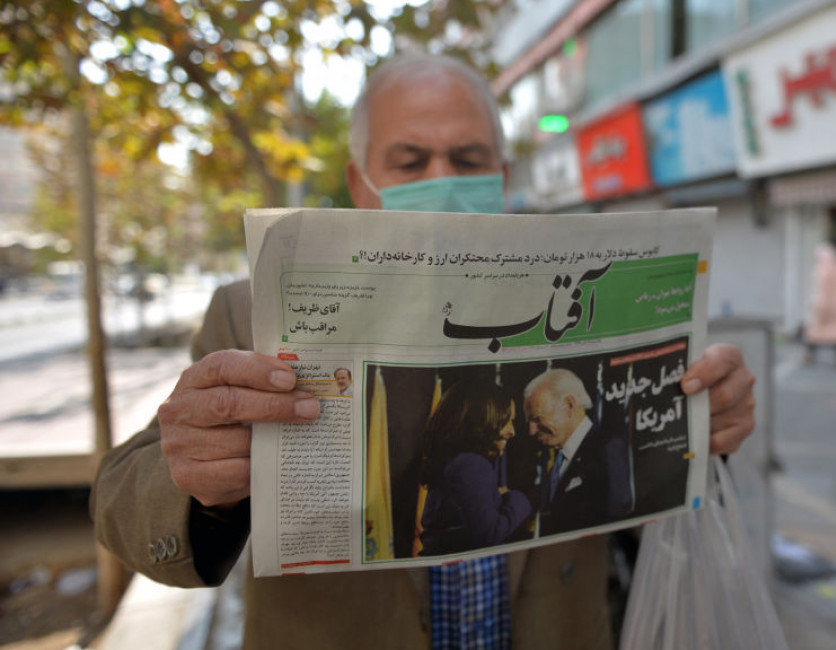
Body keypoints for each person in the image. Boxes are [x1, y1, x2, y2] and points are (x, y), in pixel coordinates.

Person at [91, 53, 757, 650]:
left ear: (498, 175)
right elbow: (120, 505)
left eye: (466, 161)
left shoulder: (573, 295)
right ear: (360, 184)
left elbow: (637, 491)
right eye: (410, 162)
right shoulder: (254, 312)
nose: (441, 178)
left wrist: (703, 424)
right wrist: (198, 485)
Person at [417, 383, 531, 556]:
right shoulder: (471, 465)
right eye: (506, 420)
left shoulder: (456, 462)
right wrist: (517, 499)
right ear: (483, 419)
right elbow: (489, 536)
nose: (512, 431)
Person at [523, 369, 630, 536]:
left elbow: (614, 520)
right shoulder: (559, 461)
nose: (531, 430)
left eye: (537, 418)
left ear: (569, 405)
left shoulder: (607, 449)